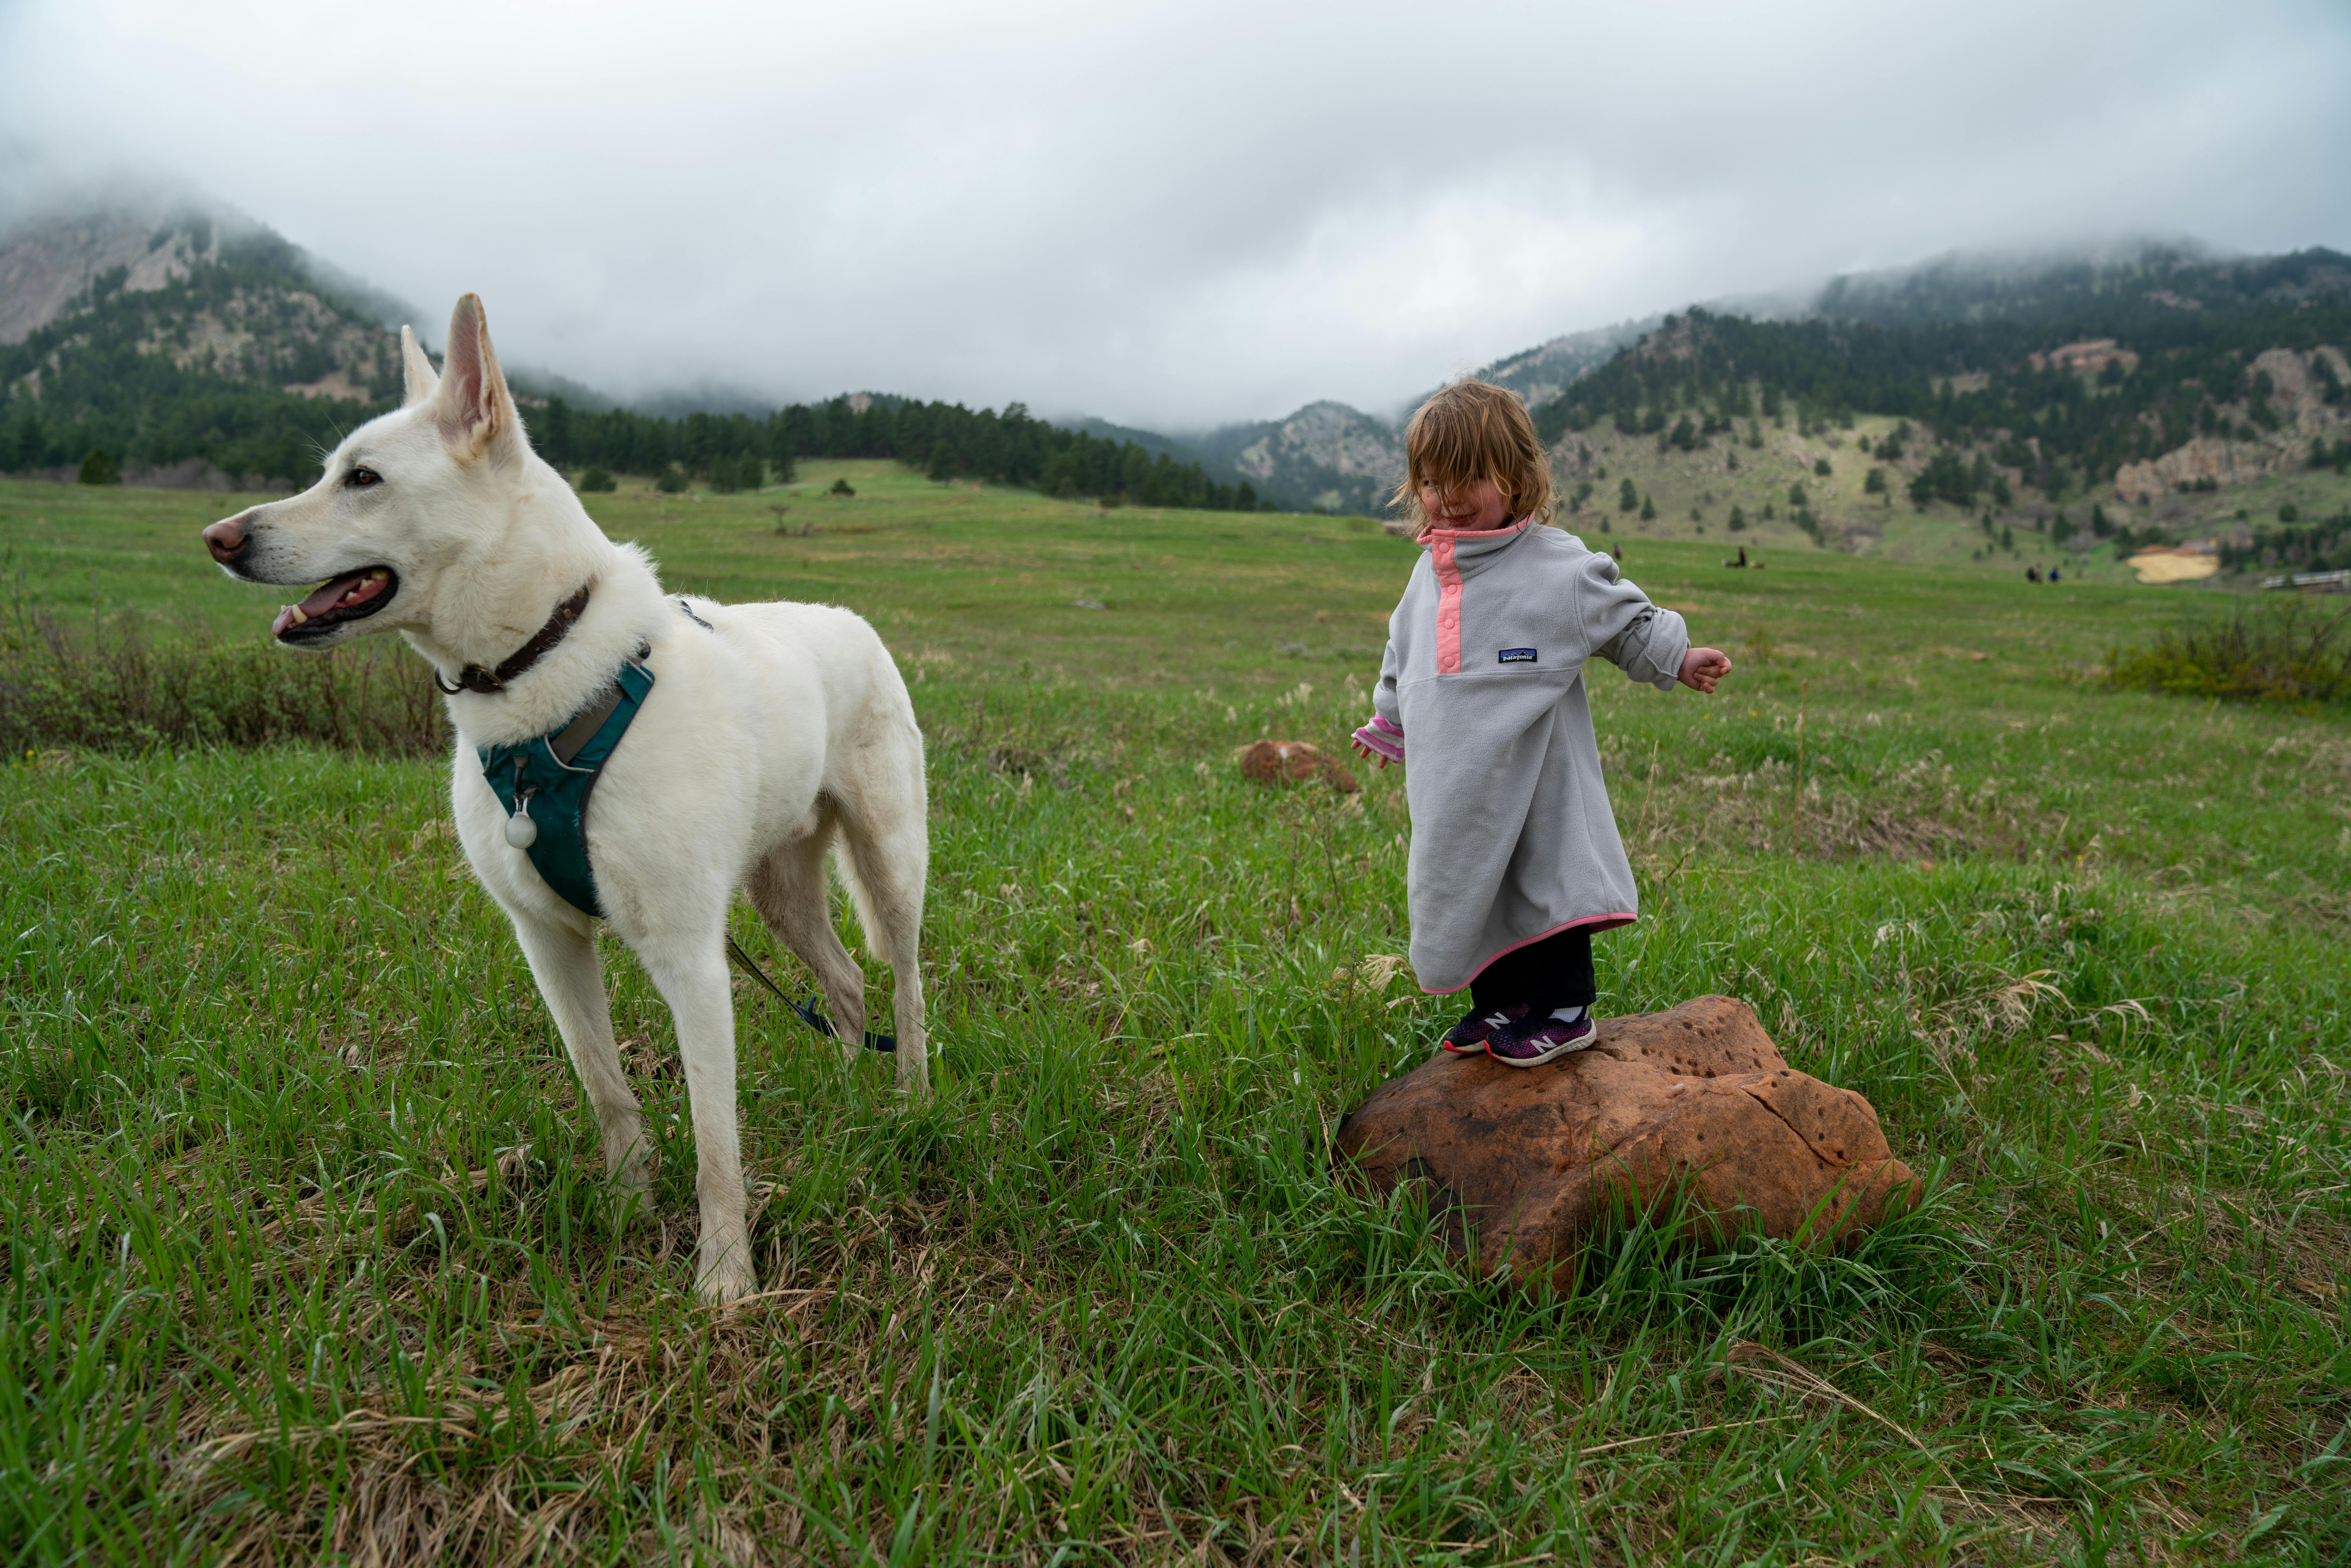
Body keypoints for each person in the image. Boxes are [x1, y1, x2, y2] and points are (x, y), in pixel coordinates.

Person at [1350, 382, 1731, 1068]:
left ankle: (1564, 1007)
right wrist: (1389, 718)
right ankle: (1498, 1003)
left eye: (1469, 477)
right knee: (1470, 883)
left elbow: (1625, 620)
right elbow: (1402, 651)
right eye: (1433, 481)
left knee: (1542, 876)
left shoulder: (1556, 565)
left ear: (1519, 478)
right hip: (1457, 781)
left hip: (1537, 777)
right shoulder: (1426, 573)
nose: (1450, 496)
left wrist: (1677, 655)